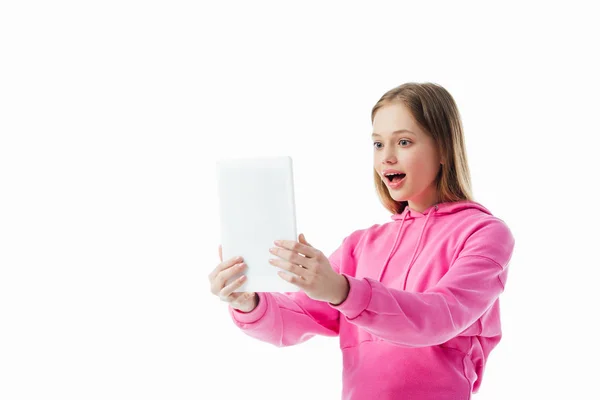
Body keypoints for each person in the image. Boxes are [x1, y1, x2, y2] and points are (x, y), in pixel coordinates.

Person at [208, 82, 515, 400]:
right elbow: (298, 318)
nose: (387, 158)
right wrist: (248, 301)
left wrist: (341, 290)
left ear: (443, 149)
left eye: (404, 142)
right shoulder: (359, 246)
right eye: (378, 144)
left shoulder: (483, 234)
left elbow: (439, 317)